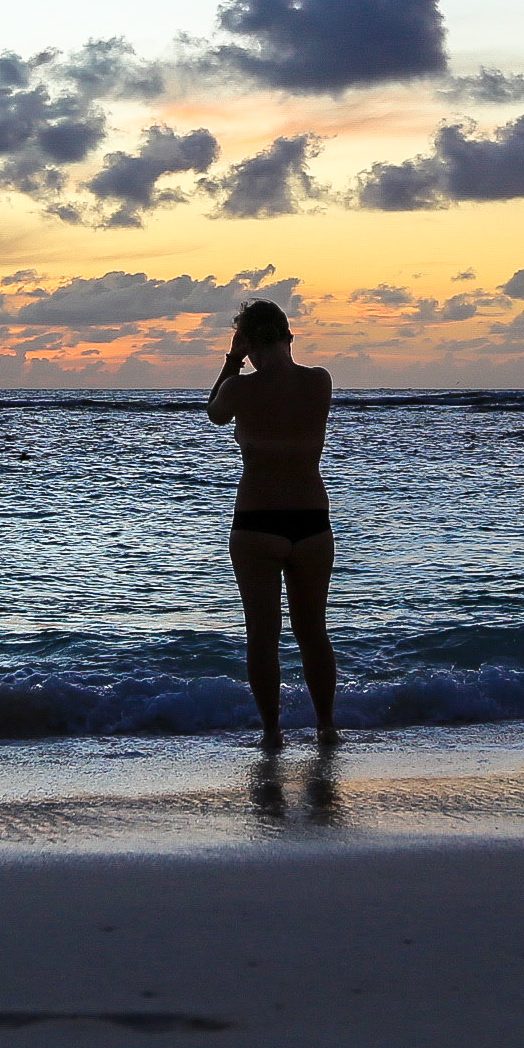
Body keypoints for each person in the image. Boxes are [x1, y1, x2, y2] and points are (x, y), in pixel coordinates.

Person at [205, 299, 338, 755]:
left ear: (248, 344)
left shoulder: (240, 390)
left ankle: (272, 732)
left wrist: (230, 361)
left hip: (257, 521)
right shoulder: (319, 382)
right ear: (289, 337)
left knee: (262, 635)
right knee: (313, 632)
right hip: (311, 520)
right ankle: (325, 727)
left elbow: (214, 413)